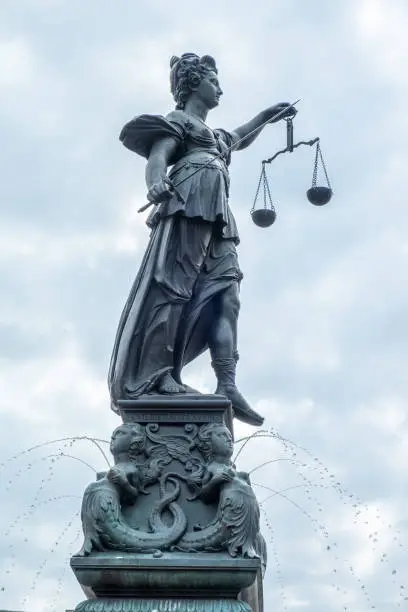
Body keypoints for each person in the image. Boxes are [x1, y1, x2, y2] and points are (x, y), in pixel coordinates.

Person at [108, 53, 295, 426]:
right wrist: (156, 182)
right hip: (188, 204)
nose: (220, 88)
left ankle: (227, 384)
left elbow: (239, 137)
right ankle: (156, 376)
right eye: (214, 81)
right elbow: (158, 157)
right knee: (174, 290)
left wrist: (267, 117)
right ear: (194, 84)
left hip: (219, 218)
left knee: (228, 294)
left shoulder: (217, 137)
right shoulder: (179, 122)